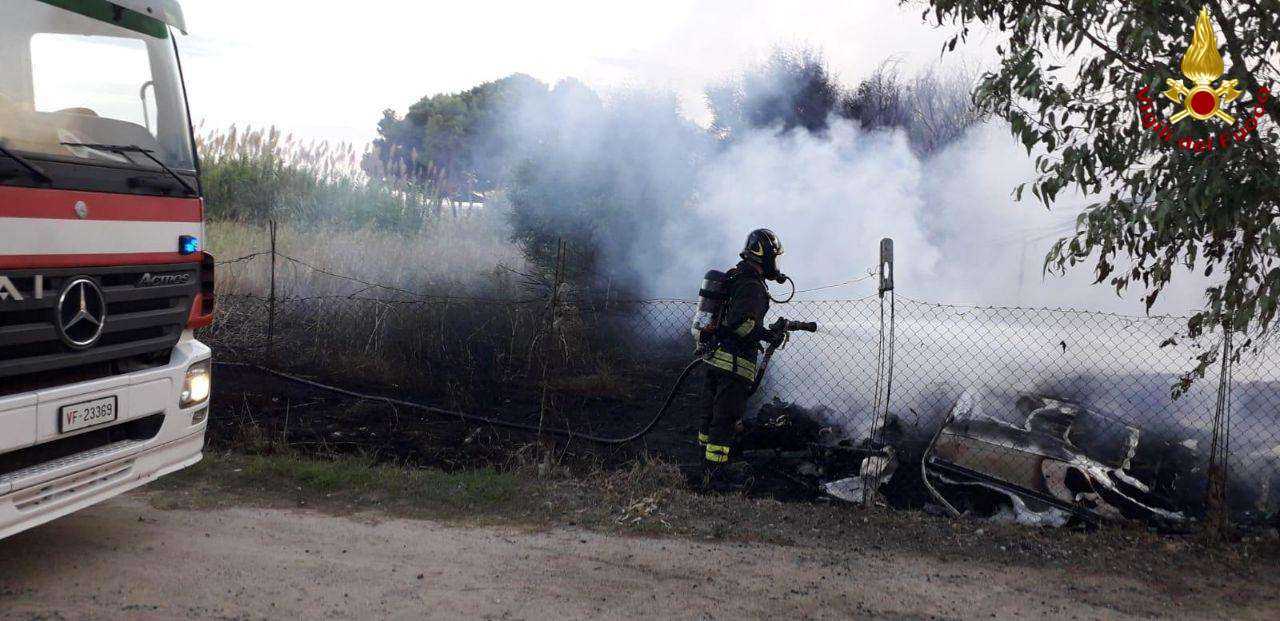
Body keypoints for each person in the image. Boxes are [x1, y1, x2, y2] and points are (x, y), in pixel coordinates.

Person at [696, 229, 788, 489]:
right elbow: (742, 326)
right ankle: (716, 476)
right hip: (733, 364)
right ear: (765, 256)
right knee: (724, 421)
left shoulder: (735, 276)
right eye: (774, 257)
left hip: (715, 358)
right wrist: (768, 335)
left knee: (709, 417)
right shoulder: (752, 286)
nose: (775, 263)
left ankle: (704, 466)